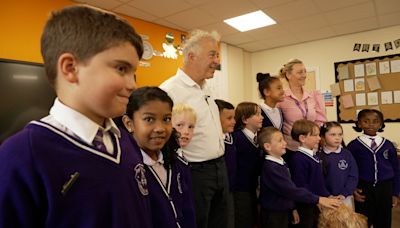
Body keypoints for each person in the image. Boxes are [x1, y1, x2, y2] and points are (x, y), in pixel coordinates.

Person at [0, 5, 152, 227]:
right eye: (121, 69)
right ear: (70, 68)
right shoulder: (21, 156)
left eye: (134, 73)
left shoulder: (124, 140)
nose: (133, 85)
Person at [160, 29, 229, 228]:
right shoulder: (169, 91)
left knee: (221, 221)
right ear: (191, 56)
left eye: (217, 55)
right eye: (212, 55)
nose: (217, 60)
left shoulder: (206, 87)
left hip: (219, 167)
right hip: (194, 172)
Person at [121, 87, 196, 228]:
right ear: (129, 123)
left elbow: (189, 210)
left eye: (166, 119)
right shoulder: (127, 171)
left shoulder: (178, 164)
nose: (160, 128)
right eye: (149, 119)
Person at [258, 127, 341, 228]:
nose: (285, 143)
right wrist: (319, 199)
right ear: (268, 146)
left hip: (283, 211)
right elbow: (290, 190)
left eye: (284, 139)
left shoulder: (281, 163)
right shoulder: (271, 168)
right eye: (280, 141)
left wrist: (292, 208)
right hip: (274, 215)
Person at [347, 109, 399, 228]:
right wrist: (353, 188)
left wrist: (395, 193)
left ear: (381, 124)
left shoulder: (388, 145)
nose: (371, 124)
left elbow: (396, 169)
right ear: (359, 124)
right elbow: (350, 170)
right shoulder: (353, 145)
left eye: (375, 121)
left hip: (385, 189)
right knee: (363, 222)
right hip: (363, 189)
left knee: (384, 221)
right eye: (366, 121)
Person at [277, 59, 327, 161]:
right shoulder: (282, 98)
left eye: (305, 71)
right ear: (288, 75)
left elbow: (319, 121)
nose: (304, 75)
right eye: (300, 72)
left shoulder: (313, 96)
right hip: (291, 149)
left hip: (312, 148)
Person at [289, 119, 334, 228]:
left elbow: (318, 182)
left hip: (316, 203)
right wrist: (316, 199)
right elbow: (301, 186)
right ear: (302, 138)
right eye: (315, 135)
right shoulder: (298, 159)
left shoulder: (314, 156)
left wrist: (327, 195)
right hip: (306, 206)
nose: (319, 138)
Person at [232, 102, 264, 228]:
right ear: (245, 119)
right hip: (241, 190)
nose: (261, 117)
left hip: (254, 188)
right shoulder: (236, 138)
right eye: (257, 114)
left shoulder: (260, 138)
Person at [318, 121, 358, 209]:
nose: (337, 138)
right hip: (326, 199)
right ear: (323, 137)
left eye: (340, 134)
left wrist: (344, 194)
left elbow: (353, 176)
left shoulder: (347, 154)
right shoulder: (318, 156)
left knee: (346, 222)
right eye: (333, 135)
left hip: (345, 198)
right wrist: (327, 195)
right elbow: (317, 180)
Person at [215, 99, 236, 228]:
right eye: (229, 118)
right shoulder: (215, 143)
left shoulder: (231, 137)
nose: (233, 121)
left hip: (231, 189)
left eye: (234, 118)